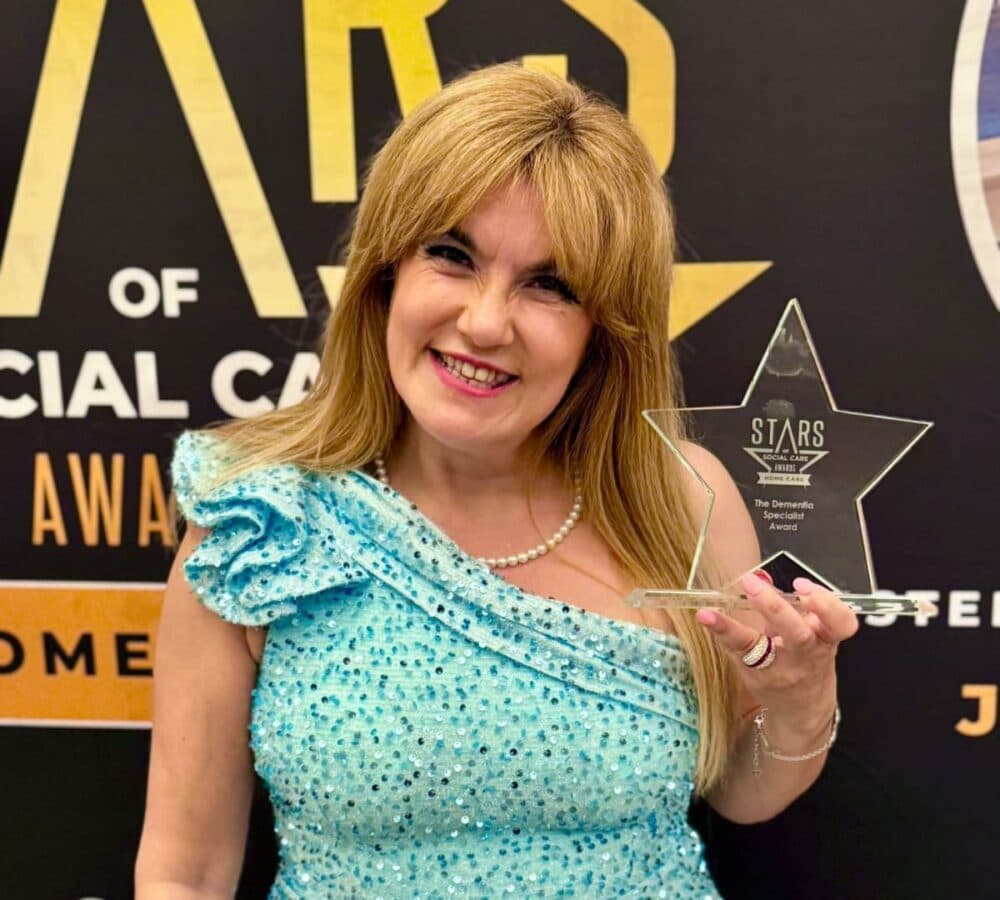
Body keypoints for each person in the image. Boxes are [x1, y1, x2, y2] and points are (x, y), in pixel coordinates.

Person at [135, 63, 858, 898]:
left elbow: (742, 791)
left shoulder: (683, 496)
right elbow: (184, 873)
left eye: (549, 285)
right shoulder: (262, 522)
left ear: (604, 331)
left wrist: (800, 698)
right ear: (385, 277)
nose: (484, 323)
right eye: (451, 256)